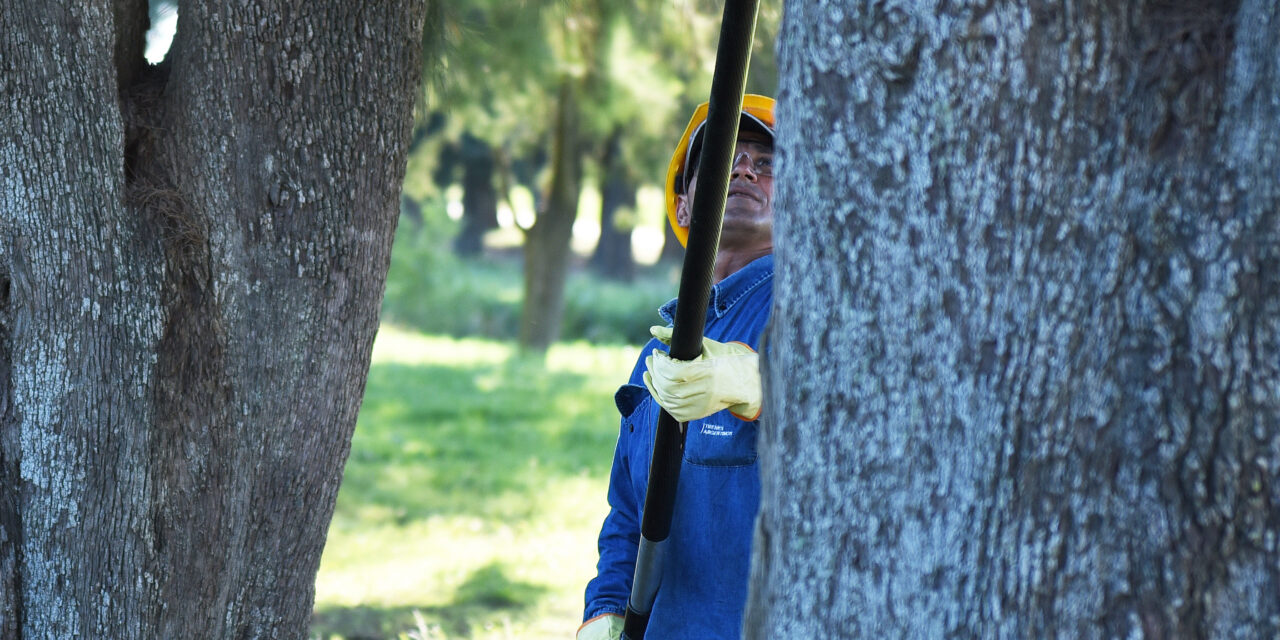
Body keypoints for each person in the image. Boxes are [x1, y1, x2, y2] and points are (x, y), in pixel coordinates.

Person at [578, 95, 776, 640]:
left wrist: (757, 382)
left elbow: (842, 402)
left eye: (767, 164)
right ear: (683, 206)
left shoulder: (814, 311)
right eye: (721, 159)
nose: (742, 168)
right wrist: (606, 609)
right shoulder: (656, 355)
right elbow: (627, 511)